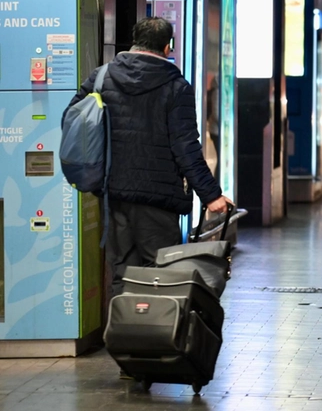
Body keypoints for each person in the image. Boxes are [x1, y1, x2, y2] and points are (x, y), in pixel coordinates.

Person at [63, 17, 232, 299]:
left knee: (121, 271)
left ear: (135, 40)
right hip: (158, 198)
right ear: (168, 47)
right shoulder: (177, 87)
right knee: (160, 270)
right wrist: (211, 195)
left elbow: (73, 122)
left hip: (113, 193)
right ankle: (153, 334)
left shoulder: (102, 77)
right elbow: (186, 147)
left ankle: (122, 336)